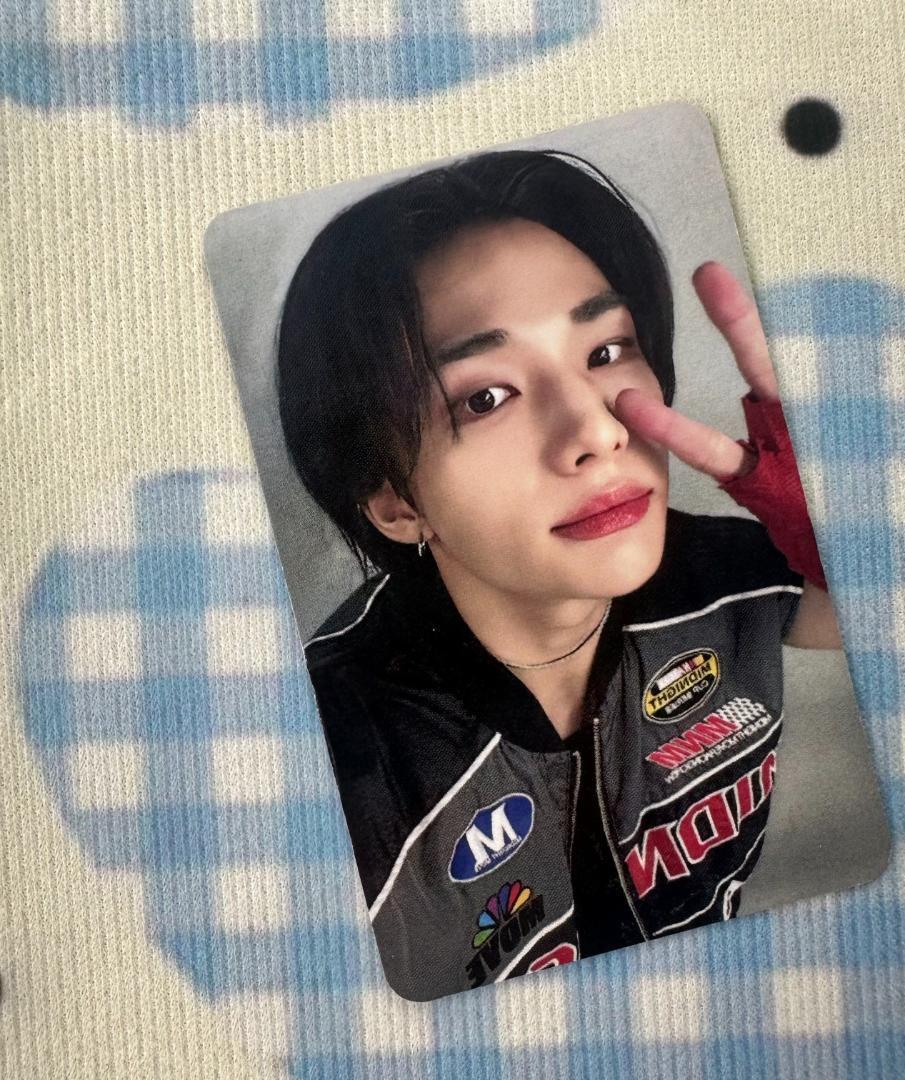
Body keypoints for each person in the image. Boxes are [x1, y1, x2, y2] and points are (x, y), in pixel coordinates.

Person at [275, 149, 842, 1001]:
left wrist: (854, 514)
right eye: (485, 397)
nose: (596, 431)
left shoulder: (730, 575)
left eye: (607, 349)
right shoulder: (335, 760)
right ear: (394, 503)